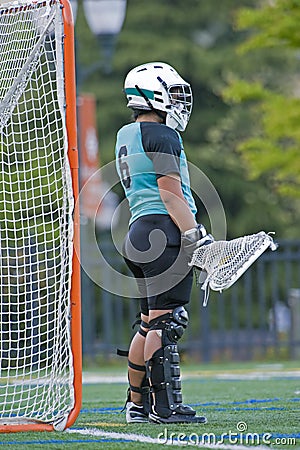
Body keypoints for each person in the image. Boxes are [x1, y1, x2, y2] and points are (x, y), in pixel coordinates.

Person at [115, 62, 213, 424]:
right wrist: (192, 234)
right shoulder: (164, 136)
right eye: (171, 94)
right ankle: (165, 407)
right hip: (164, 231)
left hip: (137, 232)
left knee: (148, 322)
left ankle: (136, 404)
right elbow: (171, 194)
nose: (177, 102)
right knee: (166, 322)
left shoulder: (125, 133)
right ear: (150, 94)